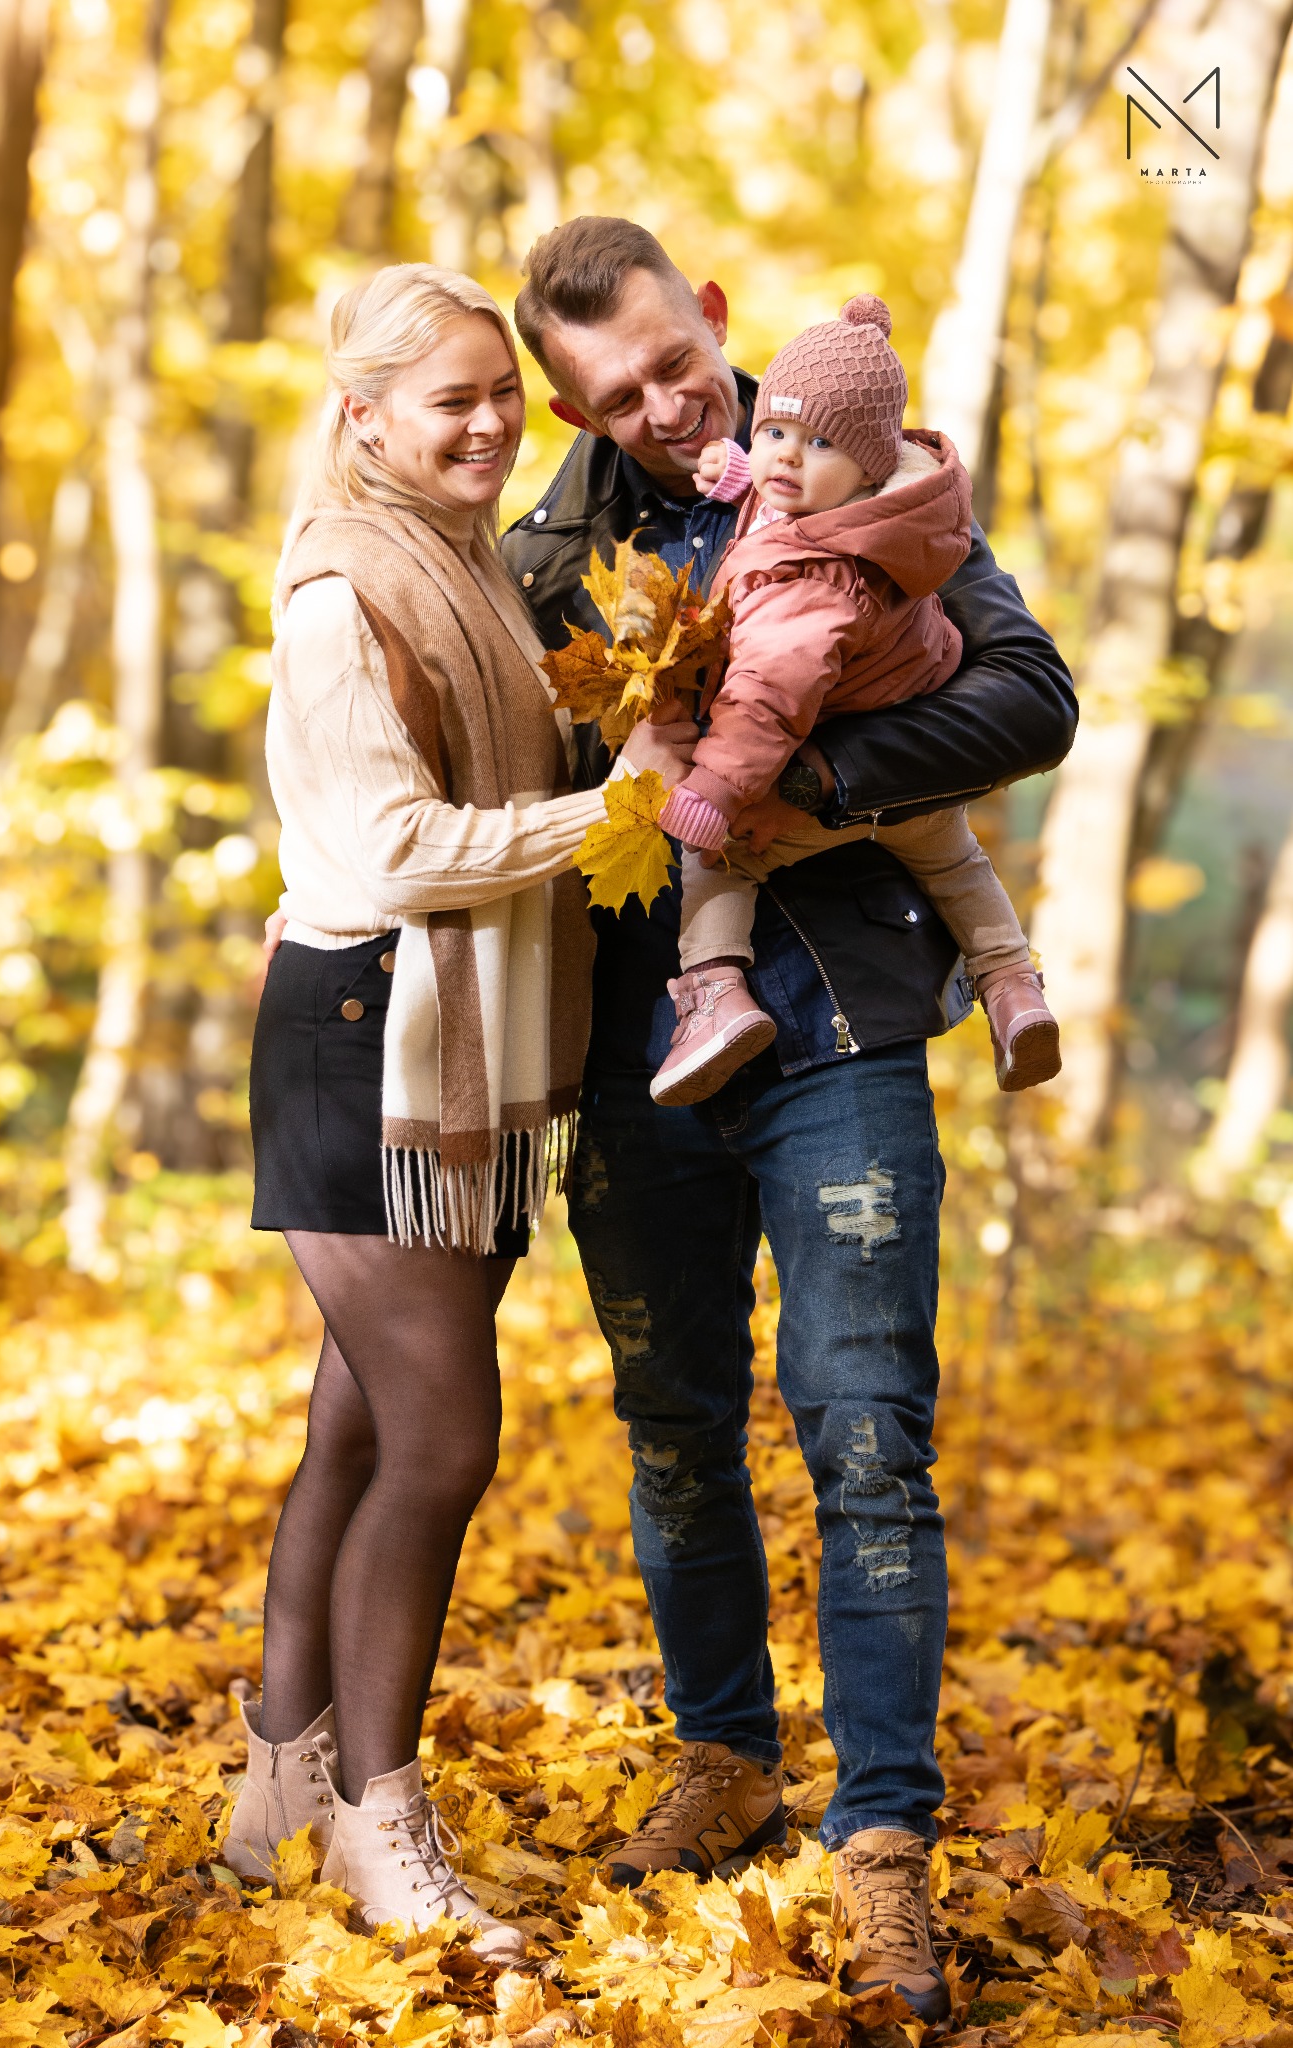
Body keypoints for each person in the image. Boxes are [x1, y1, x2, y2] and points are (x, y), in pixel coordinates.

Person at [504, 217, 1077, 2025]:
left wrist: (807, 782)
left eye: (677, 362)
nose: (666, 409)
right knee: (671, 1421)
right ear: (560, 401)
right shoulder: (543, 555)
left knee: (863, 1430)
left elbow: (1027, 692)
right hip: (636, 1051)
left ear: (715, 321)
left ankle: (882, 1835)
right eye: (616, 393)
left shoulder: (860, 463)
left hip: (838, 1023)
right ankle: (727, 1755)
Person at [226, 261, 689, 1955]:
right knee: (441, 1435)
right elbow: (389, 848)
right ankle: (378, 1818)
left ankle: (278, 1777)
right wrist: (605, 817)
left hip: (459, 1041)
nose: (492, 423)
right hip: (367, 1037)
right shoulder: (340, 591)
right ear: (362, 421)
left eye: (503, 394)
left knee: (357, 1423)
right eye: (451, 402)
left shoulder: (470, 558)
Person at [649, 295, 1060, 1108]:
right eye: (771, 435)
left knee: (718, 860)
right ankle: (1012, 985)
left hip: (825, 748)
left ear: (868, 465)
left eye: (818, 444)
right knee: (956, 863)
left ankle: (715, 995)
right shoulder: (879, 510)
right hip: (906, 762)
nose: (785, 462)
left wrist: (715, 794)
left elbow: (768, 694)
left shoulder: (816, 586)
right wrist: (738, 474)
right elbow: (776, 503)